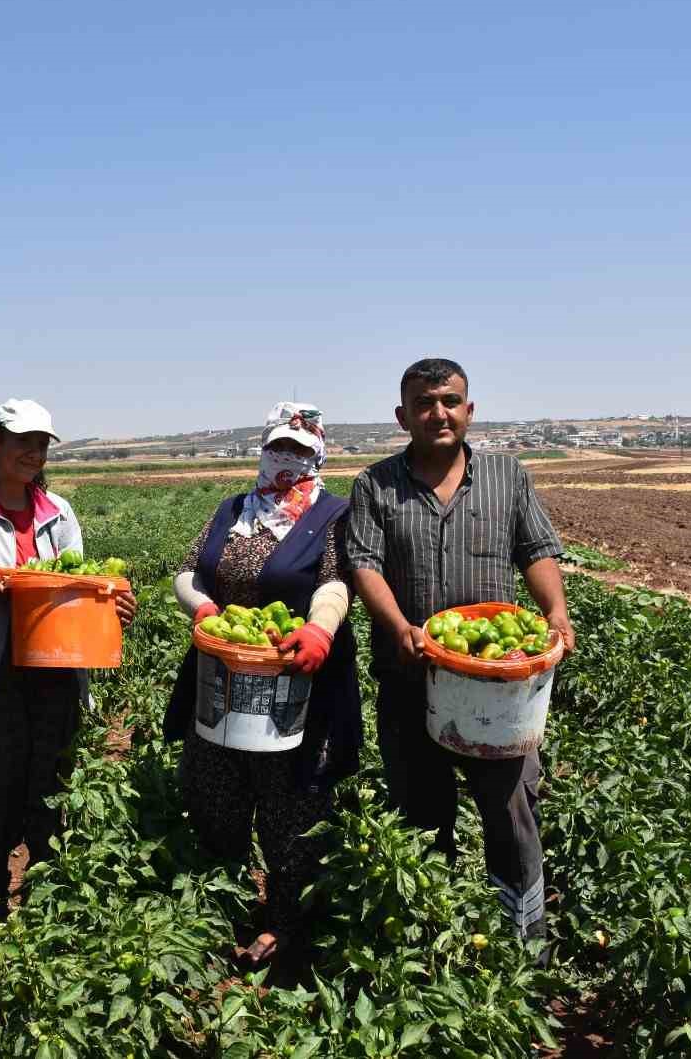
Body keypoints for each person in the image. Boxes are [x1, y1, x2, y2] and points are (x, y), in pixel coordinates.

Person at [345, 358, 575, 943]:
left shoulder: (507, 477)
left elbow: (537, 549)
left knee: (510, 810)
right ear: (403, 416)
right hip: (410, 675)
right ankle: (433, 941)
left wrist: (556, 613)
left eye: (449, 401)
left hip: (497, 686)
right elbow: (364, 565)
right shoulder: (375, 485)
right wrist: (398, 625)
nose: (438, 413)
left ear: (469, 410)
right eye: (424, 403)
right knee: (421, 814)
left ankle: (523, 941)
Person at [163, 401, 362, 969]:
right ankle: (218, 912)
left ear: (318, 454)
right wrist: (200, 608)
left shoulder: (333, 514)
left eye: (299, 450)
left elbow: (336, 583)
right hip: (223, 675)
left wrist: (320, 630)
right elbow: (188, 570)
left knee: (292, 805)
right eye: (277, 447)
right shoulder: (233, 509)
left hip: (298, 680)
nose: (285, 458)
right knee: (214, 790)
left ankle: (287, 927)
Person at [0, 398, 137, 942]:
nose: (33, 451)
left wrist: (112, 603)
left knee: (49, 785)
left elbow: (78, 584)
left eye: (42, 443)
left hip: (54, 667)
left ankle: (50, 906)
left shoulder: (60, 512)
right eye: (22, 440)